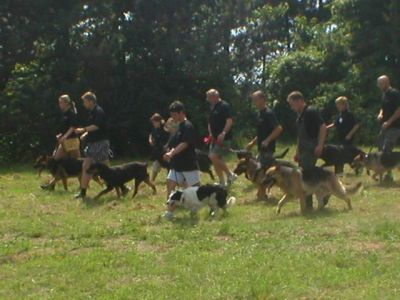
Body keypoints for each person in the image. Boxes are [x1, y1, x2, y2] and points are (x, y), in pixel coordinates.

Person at [74, 92, 125, 199]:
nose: (84, 104)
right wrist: (86, 134)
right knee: (105, 168)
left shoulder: (98, 111)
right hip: (95, 142)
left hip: (100, 143)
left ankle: (83, 193)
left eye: (85, 101)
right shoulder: (92, 112)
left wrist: (83, 130)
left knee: (87, 166)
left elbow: (97, 126)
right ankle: (122, 187)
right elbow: (94, 127)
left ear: (91, 101)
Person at [287, 91, 327, 210]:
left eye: (292, 104)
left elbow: (323, 127)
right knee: (303, 174)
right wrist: (297, 151)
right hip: (303, 149)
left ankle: (309, 205)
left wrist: (320, 145)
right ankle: (309, 202)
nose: (291, 107)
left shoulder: (311, 112)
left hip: (312, 147)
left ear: (299, 101)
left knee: (306, 175)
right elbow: (300, 135)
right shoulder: (299, 115)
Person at [163, 101, 200, 201]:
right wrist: (168, 149)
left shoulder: (188, 126)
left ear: (181, 113)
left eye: (174, 115)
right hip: (177, 164)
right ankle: (169, 208)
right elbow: (175, 143)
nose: (173, 117)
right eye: (171, 115)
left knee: (196, 190)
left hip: (188, 164)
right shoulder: (179, 126)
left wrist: (172, 153)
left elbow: (185, 143)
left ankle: (204, 204)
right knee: (170, 182)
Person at [41, 94, 79, 190]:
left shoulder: (71, 113)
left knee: (78, 163)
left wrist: (65, 136)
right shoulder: (64, 114)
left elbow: (73, 127)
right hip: (64, 142)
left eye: (61, 102)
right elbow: (65, 128)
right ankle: (51, 185)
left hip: (72, 142)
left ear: (66, 103)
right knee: (57, 162)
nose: (59, 104)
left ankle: (84, 186)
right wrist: (61, 135)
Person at [206, 89, 237, 186]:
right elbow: (210, 122)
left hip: (224, 138)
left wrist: (223, 133)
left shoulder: (224, 106)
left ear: (215, 96)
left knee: (213, 156)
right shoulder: (212, 107)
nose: (208, 100)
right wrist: (210, 133)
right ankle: (222, 182)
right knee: (215, 160)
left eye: (209, 97)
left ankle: (230, 174)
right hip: (214, 138)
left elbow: (229, 121)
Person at [246, 90, 283, 166]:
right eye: (253, 100)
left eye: (255, 100)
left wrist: (267, 140)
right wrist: (253, 143)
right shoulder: (259, 114)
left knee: (264, 174)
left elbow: (278, 128)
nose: (254, 102)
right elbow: (261, 133)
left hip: (268, 150)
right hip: (261, 150)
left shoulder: (268, 113)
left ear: (262, 99)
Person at [376, 75, 400, 182]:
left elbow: (398, 110)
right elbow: (382, 107)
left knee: (387, 149)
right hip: (384, 126)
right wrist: (380, 114)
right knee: (380, 148)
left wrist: (389, 122)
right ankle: (385, 172)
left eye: (381, 84)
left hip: (394, 126)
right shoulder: (384, 95)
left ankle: (389, 176)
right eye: (379, 84)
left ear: (387, 82)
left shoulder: (394, 94)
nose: (379, 86)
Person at [148, 113, 170, 182]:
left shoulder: (165, 128)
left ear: (158, 121)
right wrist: (150, 139)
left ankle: (170, 180)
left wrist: (167, 145)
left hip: (165, 150)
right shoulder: (154, 128)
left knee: (169, 165)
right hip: (157, 150)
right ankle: (152, 180)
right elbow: (151, 134)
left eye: (154, 122)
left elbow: (170, 137)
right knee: (156, 164)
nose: (153, 123)